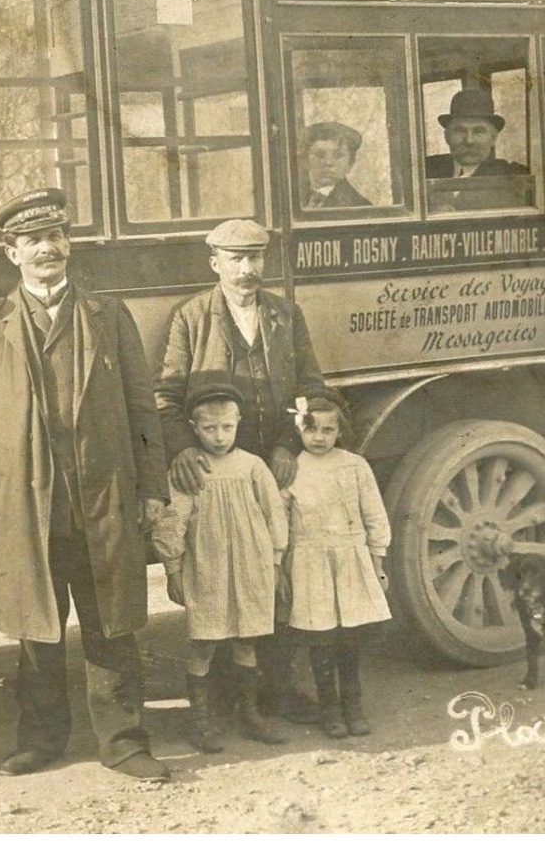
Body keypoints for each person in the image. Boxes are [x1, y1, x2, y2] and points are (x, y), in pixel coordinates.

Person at [0, 187, 171, 782]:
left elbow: (141, 409)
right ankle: (41, 740)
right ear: (11, 253)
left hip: (102, 499)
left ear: (68, 244)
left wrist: (153, 488)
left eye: (55, 237)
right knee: (35, 625)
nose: (47, 249)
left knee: (112, 620)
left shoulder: (108, 315)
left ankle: (124, 742)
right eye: (32, 241)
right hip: (26, 506)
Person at [155, 217, 326, 722]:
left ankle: (279, 686)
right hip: (217, 468)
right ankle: (227, 692)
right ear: (216, 264)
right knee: (221, 573)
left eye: (255, 258)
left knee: (278, 571)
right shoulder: (191, 317)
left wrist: (286, 443)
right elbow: (166, 396)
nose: (247, 269)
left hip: (267, 465)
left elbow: (310, 387)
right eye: (236, 259)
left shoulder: (285, 314)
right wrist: (186, 449)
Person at [152, 380, 290, 754]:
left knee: (246, 641)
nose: (218, 436)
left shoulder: (252, 466)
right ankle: (201, 721)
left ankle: (250, 713)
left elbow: (274, 515)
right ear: (195, 429)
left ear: (238, 424)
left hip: (249, 568)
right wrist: (173, 569)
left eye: (226, 427)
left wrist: (276, 561)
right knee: (205, 643)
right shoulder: (190, 471)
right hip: (209, 570)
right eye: (209, 428)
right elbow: (172, 521)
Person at [284, 393, 390, 739]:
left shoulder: (354, 466)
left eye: (328, 430)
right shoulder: (293, 469)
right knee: (321, 639)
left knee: (349, 637)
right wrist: (281, 564)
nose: (319, 437)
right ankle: (328, 707)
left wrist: (377, 562)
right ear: (299, 429)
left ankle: (353, 704)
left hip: (349, 557)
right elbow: (281, 521)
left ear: (338, 432)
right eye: (312, 429)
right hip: (310, 560)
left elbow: (374, 514)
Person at [301, 121, 373, 209]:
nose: (328, 162)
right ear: (305, 160)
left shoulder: (359, 206)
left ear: (350, 163)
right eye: (320, 155)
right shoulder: (296, 198)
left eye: (338, 155)